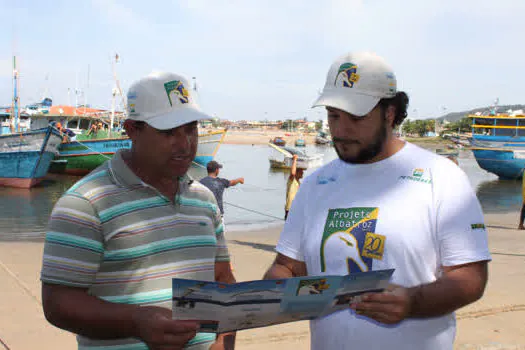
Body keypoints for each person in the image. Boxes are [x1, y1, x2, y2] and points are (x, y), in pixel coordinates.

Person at [263, 51, 491, 350]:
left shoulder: (441, 177)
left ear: (390, 113)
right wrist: (262, 297)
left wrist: (412, 302)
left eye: (356, 118)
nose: (341, 131)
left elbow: (470, 278)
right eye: (333, 116)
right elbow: (288, 267)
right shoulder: (316, 184)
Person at [41, 71, 236, 350]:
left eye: (190, 128)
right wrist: (136, 321)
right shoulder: (86, 203)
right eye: (168, 132)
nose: (185, 144)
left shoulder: (204, 200)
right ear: (132, 129)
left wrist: (225, 342)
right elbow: (57, 302)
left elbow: (223, 279)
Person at [284, 154, 304, 220]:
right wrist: (295, 159)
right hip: (290, 208)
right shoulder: (292, 180)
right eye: (301, 171)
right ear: (297, 172)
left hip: (296, 209)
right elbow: (292, 173)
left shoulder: (299, 183)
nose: (302, 173)